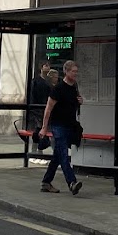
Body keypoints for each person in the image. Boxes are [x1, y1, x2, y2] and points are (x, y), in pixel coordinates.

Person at [39, 59, 84, 196]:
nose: (75, 74)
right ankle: (72, 182)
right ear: (66, 71)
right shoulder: (58, 89)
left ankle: (46, 182)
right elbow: (48, 109)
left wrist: (80, 101)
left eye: (76, 71)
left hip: (70, 125)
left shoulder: (74, 87)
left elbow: (74, 104)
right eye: (73, 71)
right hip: (58, 126)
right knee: (63, 154)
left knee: (58, 156)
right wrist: (44, 127)